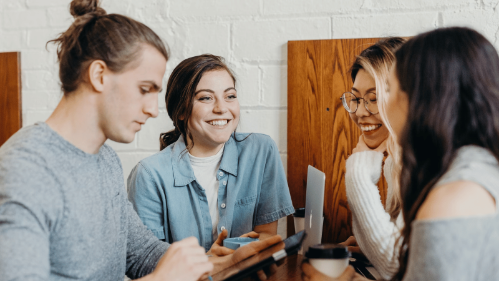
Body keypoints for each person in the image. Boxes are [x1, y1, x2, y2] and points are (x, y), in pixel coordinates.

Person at [0, 1, 281, 280]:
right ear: (98, 76)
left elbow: (139, 254)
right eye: (144, 89)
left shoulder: (105, 159)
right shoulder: (25, 169)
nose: (152, 109)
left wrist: (216, 265)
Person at [302, 27, 499, 281]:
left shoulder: (453, 197)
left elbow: (398, 266)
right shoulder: (472, 168)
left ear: (425, 99)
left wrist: (358, 175)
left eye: (390, 91)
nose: (365, 110)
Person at [127, 54, 294, 254]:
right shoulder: (149, 175)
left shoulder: (261, 151)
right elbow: (148, 260)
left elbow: (267, 236)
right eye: (206, 98)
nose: (222, 108)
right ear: (180, 111)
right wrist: (212, 265)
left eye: (230, 96)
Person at [339, 38, 405, 279]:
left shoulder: (427, 162)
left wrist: (358, 171)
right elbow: (401, 255)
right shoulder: (395, 160)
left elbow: (395, 266)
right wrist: (369, 246)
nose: (359, 112)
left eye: (374, 98)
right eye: (355, 98)